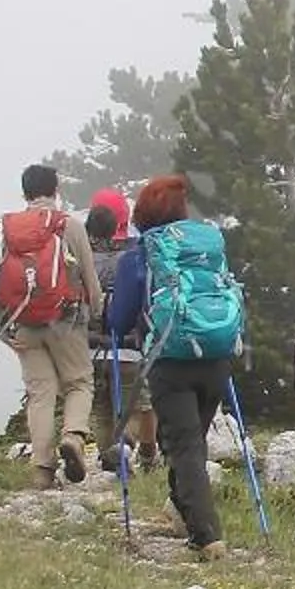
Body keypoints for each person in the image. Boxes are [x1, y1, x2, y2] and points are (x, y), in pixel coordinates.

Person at [105, 175, 231, 562]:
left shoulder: (141, 256)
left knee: (184, 444)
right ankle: (183, 513)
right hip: (215, 352)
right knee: (187, 440)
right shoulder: (205, 247)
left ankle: (208, 535)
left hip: (169, 359)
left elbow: (118, 320)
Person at [0, 165, 102, 488]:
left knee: (41, 393)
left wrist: (1, 327)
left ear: (25, 193)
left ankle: (41, 469)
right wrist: (95, 312)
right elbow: (89, 279)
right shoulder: (70, 226)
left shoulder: (12, 230)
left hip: (23, 323)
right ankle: (73, 438)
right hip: (66, 321)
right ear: (56, 190)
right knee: (79, 383)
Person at [86, 186, 157, 473]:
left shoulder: (81, 255)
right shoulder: (138, 251)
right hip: (129, 345)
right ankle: (135, 449)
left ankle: (110, 459)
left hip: (89, 347)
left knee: (101, 407)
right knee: (139, 403)